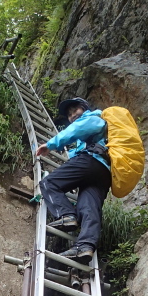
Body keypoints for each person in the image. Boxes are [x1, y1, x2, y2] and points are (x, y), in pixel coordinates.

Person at [36, 97, 110, 264]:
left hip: (91, 161)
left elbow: (76, 130)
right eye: (69, 115)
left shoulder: (94, 118)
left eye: (75, 110)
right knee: (88, 206)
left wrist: (50, 145)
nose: (72, 116)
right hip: (104, 173)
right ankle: (85, 246)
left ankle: (66, 215)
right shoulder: (93, 131)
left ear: (84, 109)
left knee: (49, 183)